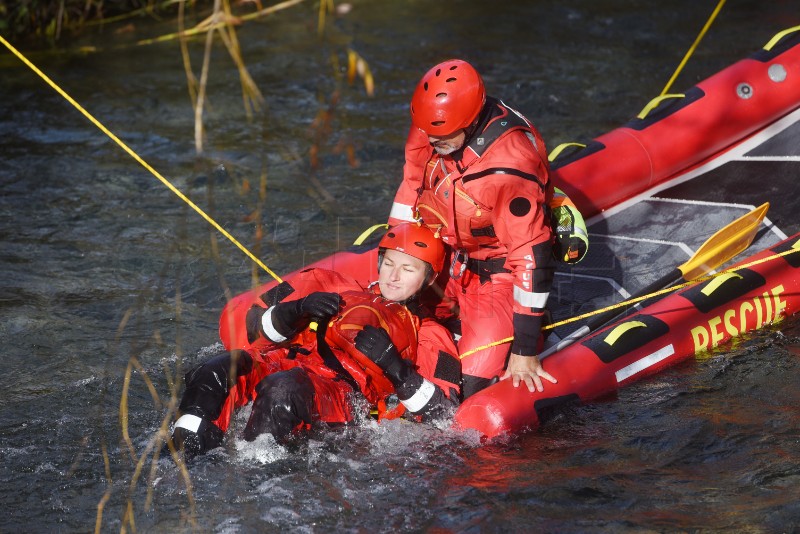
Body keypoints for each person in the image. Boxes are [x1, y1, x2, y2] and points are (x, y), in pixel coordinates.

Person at [167, 223, 461, 459]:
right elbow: (251, 328)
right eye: (389, 264)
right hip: (286, 361)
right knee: (216, 370)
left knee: (283, 391)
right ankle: (181, 459)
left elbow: (443, 416)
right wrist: (294, 311)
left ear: (427, 278)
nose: (394, 277)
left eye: (408, 269)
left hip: (342, 393)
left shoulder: (431, 333)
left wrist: (398, 370)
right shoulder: (328, 283)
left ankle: (252, 477)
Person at [387, 59, 559, 398]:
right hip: (446, 253)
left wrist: (524, 350)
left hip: (498, 274)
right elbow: (410, 189)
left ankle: (531, 326)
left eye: (441, 136)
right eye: (428, 133)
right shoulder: (430, 127)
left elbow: (530, 256)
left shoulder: (509, 167)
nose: (432, 141)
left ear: (469, 121)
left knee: (473, 383)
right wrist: (397, 260)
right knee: (384, 321)